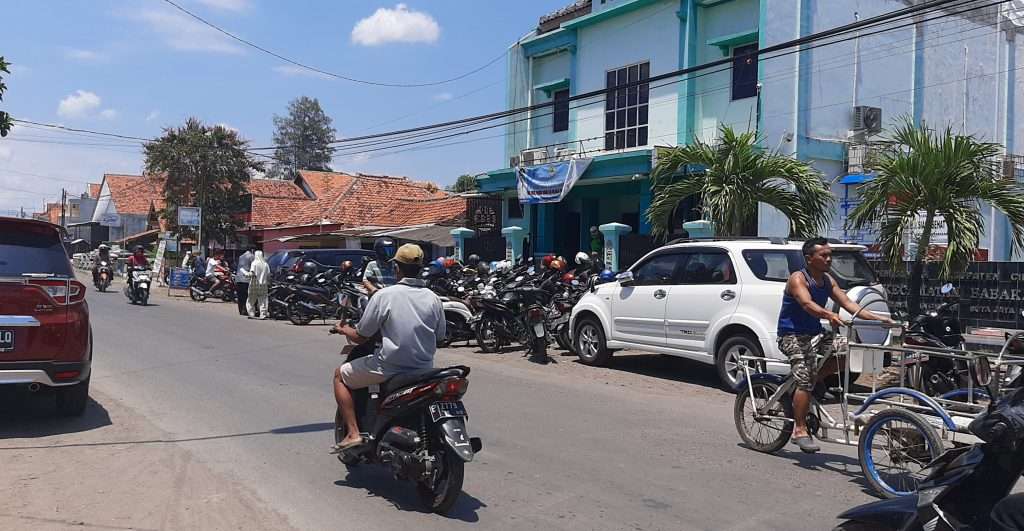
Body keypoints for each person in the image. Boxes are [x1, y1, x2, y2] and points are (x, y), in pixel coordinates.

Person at [779, 237, 890, 453]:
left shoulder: (828, 280)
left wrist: (878, 318)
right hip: (791, 335)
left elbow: (849, 304)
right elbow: (807, 303)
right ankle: (799, 430)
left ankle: (812, 384)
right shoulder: (798, 279)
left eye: (830, 255)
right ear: (809, 258)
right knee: (805, 377)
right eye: (824, 255)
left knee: (848, 354)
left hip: (815, 333)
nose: (829, 259)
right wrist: (829, 314)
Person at [331, 243, 445, 452]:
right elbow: (440, 336)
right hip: (424, 370)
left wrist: (342, 329)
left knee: (339, 375)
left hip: (389, 367)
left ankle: (354, 433)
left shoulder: (385, 296)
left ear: (396, 268)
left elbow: (360, 336)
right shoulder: (434, 298)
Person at [246, 250, 271, 319]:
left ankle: (251, 313)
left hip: (254, 284)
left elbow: (252, 273)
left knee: (251, 299)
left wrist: (246, 274)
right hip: (263, 284)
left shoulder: (254, 263)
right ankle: (263, 314)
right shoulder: (266, 264)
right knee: (263, 300)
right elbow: (269, 275)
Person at [235, 247, 255, 316]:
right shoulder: (252, 256)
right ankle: (245, 310)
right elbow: (253, 267)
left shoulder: (241, 257)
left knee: (240, 296)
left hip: (238, 278)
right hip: (246, 279)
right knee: (247, 296)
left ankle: (241, 311)